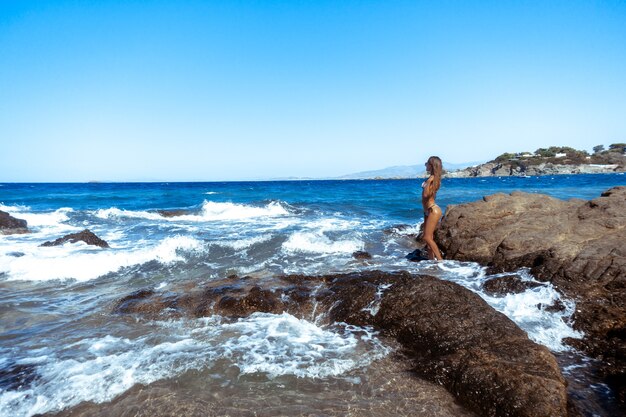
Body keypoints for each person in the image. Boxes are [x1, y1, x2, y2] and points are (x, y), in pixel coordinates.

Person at [421, 156, 443, 260]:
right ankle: (431, 260)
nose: (425, 165)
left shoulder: (432, 179)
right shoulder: (432, 178)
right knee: (429, 237)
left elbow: (426, 195)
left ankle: (440, 261)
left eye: (427, 163)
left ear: (431, 165)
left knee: (427, 237)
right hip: (427, 211)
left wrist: (428, 183)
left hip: (433, 210)